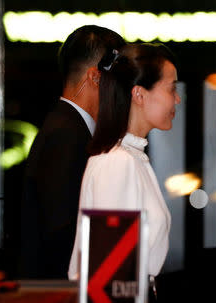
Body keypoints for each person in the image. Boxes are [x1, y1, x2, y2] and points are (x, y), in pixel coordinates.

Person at [68, 43, 180, 288]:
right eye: (172, 88)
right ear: (139, 94)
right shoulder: (117, 163)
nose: (177, 99)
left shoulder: (129, 157)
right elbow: (110, 274)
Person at [20, 25, 125, 279]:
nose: (124, 92)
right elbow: (61, 232)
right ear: (95, 76)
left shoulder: (68, 127)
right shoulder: (66, 133)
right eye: (120, 80)